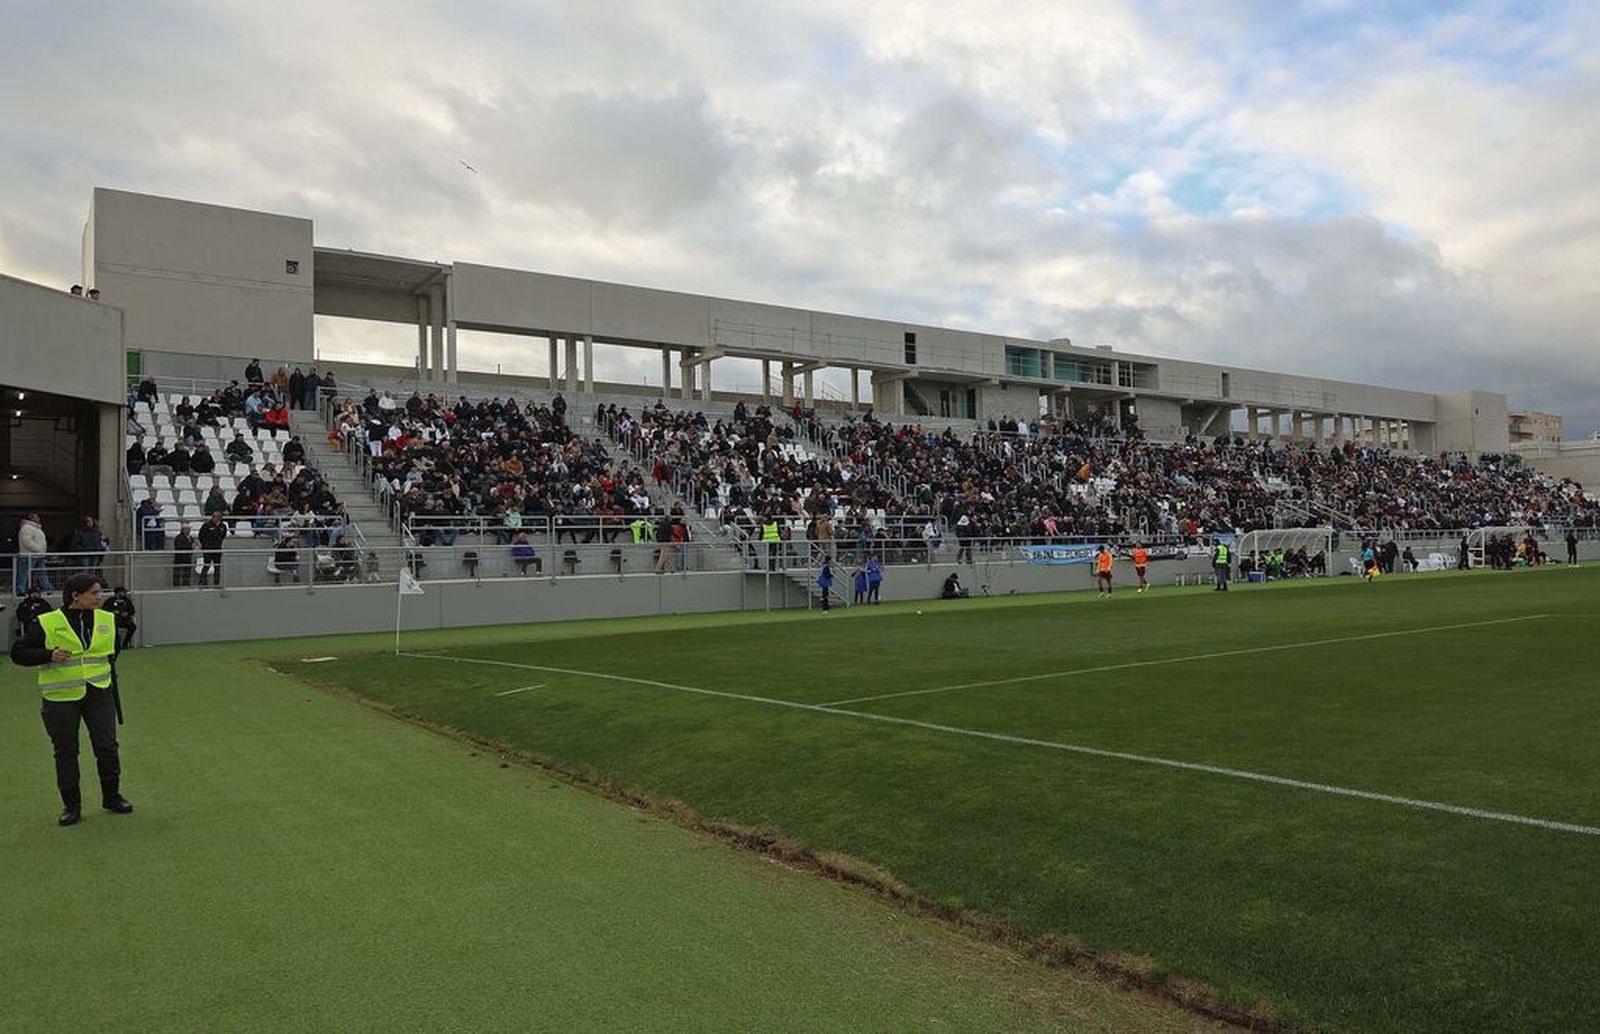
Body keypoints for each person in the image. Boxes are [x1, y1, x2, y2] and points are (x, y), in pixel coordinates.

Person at [10, 573, 134, 826]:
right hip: (60, 697)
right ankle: (71, 806)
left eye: (100, 592)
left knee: (107, 747)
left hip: (100, 691)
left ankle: (112, 797)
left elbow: (113, 651)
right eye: (94, 593)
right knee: (66, 751)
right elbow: (19, 653)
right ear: (75, 595)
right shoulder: (47, 621)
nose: (99, 597)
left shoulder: (107, 618)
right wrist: (48, 654)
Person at [16, 513, 52, 594]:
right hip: (29, 555)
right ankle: (21, 590)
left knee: (42, 573)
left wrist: (41, 551)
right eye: (36, 517)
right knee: (24, 573)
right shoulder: (26, 528)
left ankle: (46, 588)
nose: (38, 518)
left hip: (38, 555)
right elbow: (27, 541)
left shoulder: (36, 528)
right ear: (31, 518)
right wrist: (38, 549)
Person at [197, 512, 228, 587]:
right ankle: (202, 582)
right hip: (208, 549)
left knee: (217, 567)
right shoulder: (206, 525)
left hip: (217, 549)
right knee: (206, 566)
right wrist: (205, 545)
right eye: (214, 516)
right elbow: (201, 536)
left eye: (217, 517)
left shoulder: (223, 526)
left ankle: (216, 584)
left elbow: (223, 535)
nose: (215, 518)